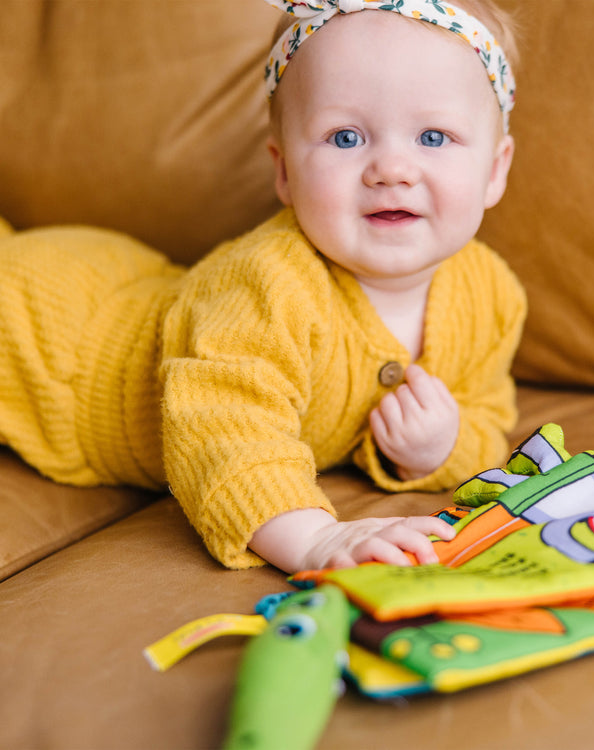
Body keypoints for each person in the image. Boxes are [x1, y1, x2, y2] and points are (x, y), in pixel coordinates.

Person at [0, 0, 526, 573]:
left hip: (128, 281)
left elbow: (487, 417)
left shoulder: (491, 296)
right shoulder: (268, 284)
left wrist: (440, 448)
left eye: (434, 136)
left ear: (494, 170)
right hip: (49, 340)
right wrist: (313, 538)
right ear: (283, 171)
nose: (391, 168)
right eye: (346, 138)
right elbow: (223, 427)